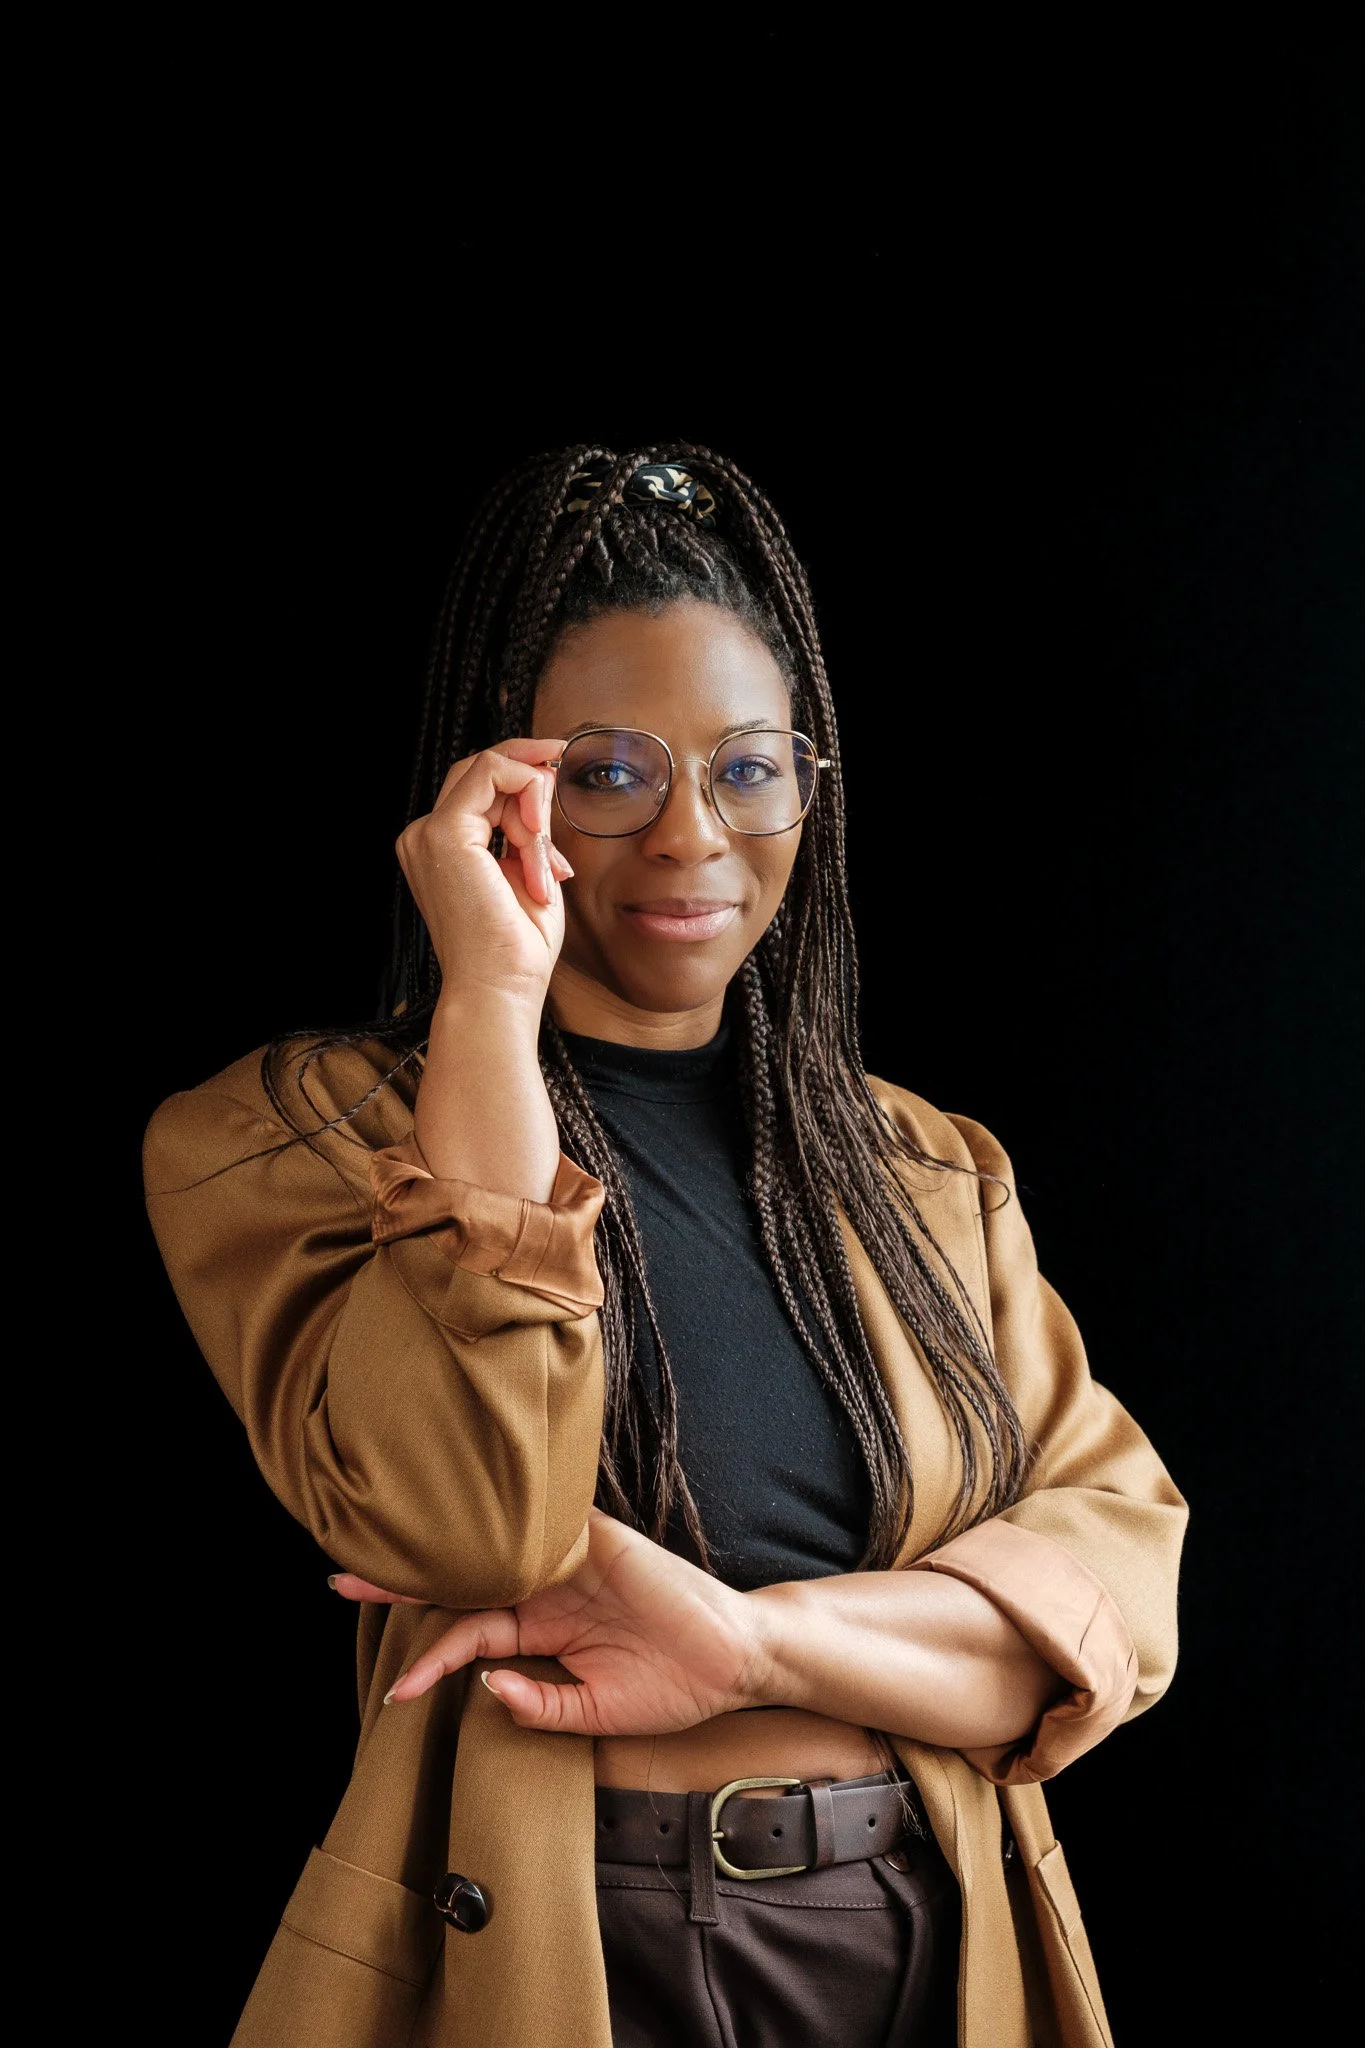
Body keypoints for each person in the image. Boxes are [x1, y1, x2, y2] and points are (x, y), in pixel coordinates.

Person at [144, 444, 1187, 2048]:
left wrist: (743, 1643)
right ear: (499, 793)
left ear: (809, 790)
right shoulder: (293, 1141)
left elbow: (1108, 1602)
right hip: (571, 1953)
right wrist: (489, 1003)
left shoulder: (921, 1170)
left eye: (749, 767)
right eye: (612, 772)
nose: (694, 835)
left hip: (926, 1934)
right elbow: (476, 1521)